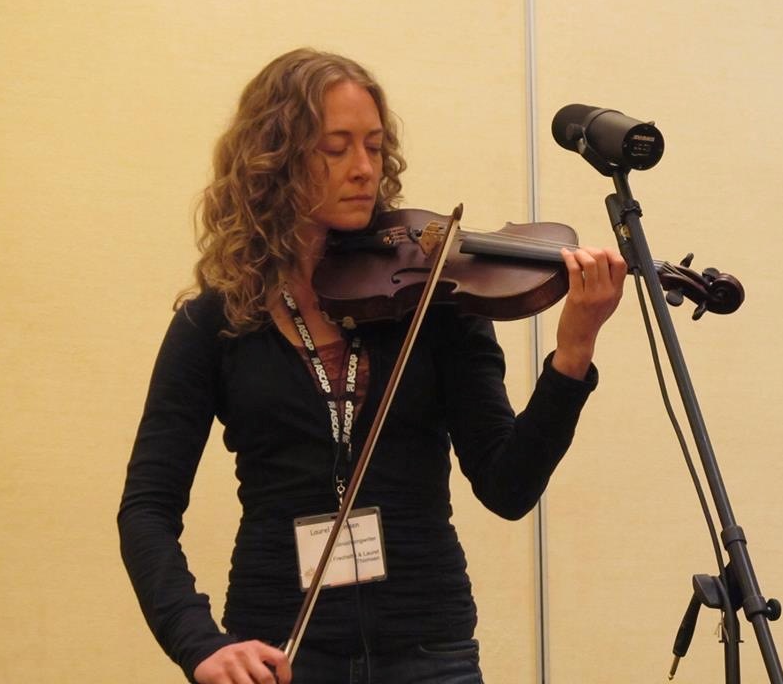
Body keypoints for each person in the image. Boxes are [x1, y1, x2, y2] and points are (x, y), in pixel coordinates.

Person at [118, 48, 627, 684]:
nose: (363, 169)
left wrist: (572, 356)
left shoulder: (435, 298)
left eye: (374, 147)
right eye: (335, 148)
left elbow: (508, 487)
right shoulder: (219, 323)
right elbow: (147, 507)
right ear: (273, 158)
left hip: (427, 650)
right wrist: (199, 643)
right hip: (281, 650)